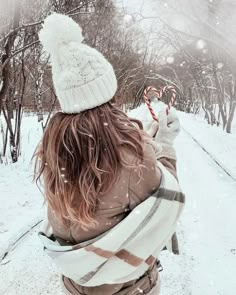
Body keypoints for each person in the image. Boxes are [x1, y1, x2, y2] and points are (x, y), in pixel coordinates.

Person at [34, 13, 185, 295]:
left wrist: (140, 141)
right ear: (107, 98)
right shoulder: (131, 160)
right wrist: (163, 143)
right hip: (128, 289)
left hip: (75, 287)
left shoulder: (54, 151)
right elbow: (167, 204)